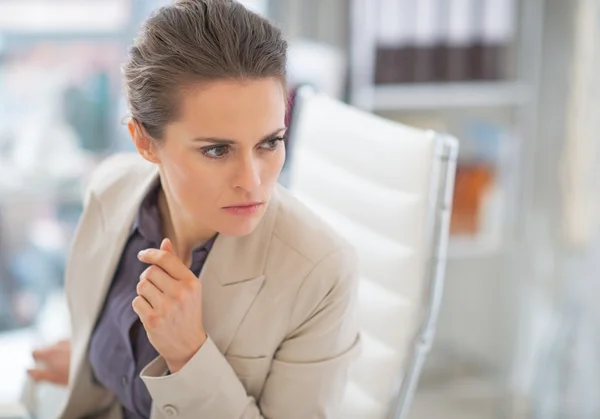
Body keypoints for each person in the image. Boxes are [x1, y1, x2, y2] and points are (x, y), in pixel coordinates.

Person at [26, 0, 361, 418]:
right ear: (145, 141)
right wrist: (92, 364)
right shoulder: (110, 192)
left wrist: (188, 356)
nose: (253, 181)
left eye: (270, 142)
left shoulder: (321, 273)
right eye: (218, 150)